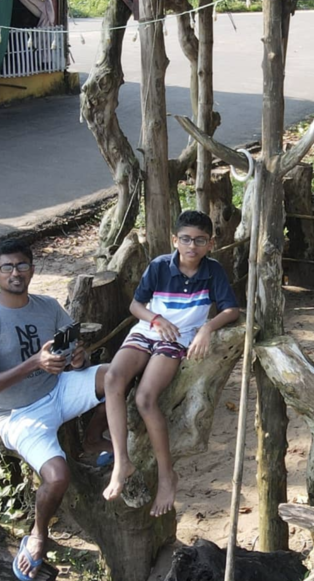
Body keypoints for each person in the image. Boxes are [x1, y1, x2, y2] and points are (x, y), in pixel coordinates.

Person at [0, 239, 108, 581]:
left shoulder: (48, 306)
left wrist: (78, 358)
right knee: (57, 477)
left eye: (22, 265)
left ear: (32, 268)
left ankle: (93, 440)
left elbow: (76, 354)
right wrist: (33, 363)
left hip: (58, 390)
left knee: (116, 373)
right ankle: (39, 533)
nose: (16, 273)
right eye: (7, 267)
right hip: (18, 413)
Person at [102, 210, 239, 516]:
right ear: (175, 240)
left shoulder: (213, 272)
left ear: (211, 243)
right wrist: (155, 317)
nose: (192, 246)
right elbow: (136, 305)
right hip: (149, 329)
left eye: (200, 240)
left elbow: (232, 310)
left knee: (145, 398)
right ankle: (121, 460)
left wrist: (206, 327)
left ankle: (167, 475)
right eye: (186, 239)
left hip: (178, 338)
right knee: (113, 379)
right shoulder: (159, 266)